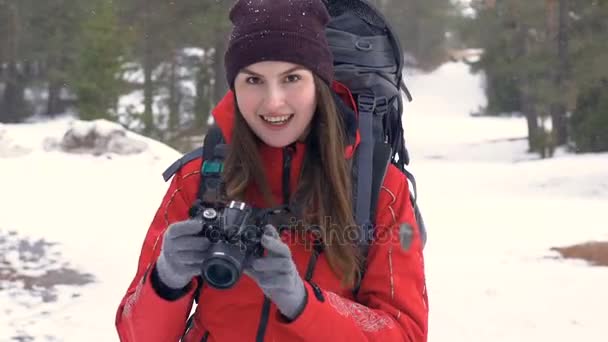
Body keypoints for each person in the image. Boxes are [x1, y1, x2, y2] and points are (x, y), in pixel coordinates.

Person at [115, 0, 428, 341]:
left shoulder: (380, 189)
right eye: (254, 80)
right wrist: (165, 280)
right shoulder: (199, 177)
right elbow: (137, 335)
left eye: (291, 77)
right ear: (235, 86)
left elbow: (405, 332)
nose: (273, 102)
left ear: (319, 83)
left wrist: (303, 302)